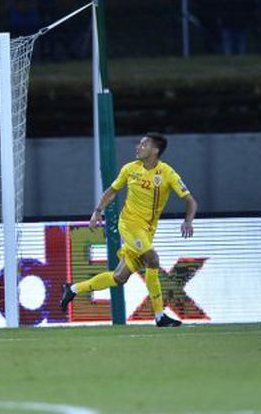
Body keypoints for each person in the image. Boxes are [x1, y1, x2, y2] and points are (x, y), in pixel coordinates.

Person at [60, 133, 197, 327]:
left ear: (155, 150)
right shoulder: (130, 169)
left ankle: (72, 289)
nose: (138, 147)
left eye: (144, 144)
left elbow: (190, 201)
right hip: (129, 225)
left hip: (146, 231)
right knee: (152, 259)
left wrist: (188, 221)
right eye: (140, 143)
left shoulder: (167, 173)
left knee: (119, 277)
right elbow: (112, 191)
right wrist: (98, 211)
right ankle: (159, 316)